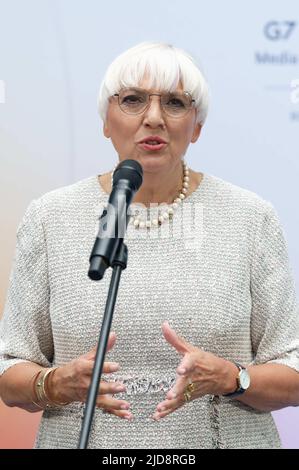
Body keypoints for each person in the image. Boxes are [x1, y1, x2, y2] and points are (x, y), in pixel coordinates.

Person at [0, 42, 299, 449]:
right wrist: (53, 383)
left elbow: (293, 372)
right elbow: (9, 371)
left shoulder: (250, 217)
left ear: (197, 126)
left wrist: (232, 378)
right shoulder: (50, 217)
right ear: (106, 120)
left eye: (175, 103)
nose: (154, 118)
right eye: (133, 100)